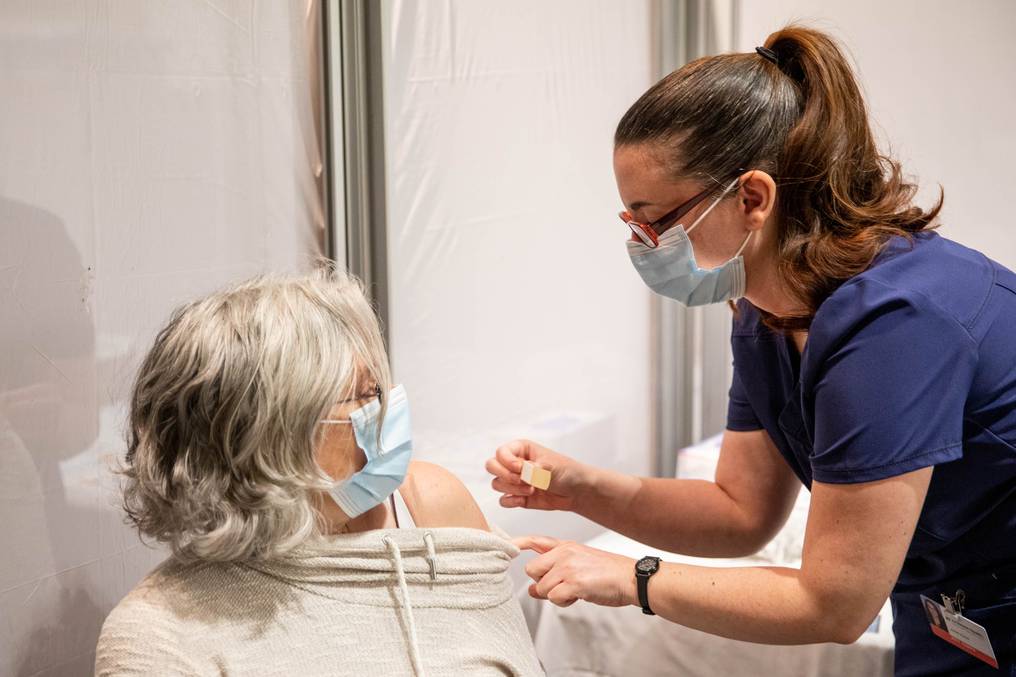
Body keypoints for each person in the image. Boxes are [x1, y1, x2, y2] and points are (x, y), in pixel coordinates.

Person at [486, 25, 1015, 676]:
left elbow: (834, 602)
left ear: (753, 198)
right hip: (949, 619)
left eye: (655, 219)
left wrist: (635, 576)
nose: (643, 244)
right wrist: (580, 488)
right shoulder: (763, 316)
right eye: (631, 224)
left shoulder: (893, 324)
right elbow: (741, 512)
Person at [96, 269, 543, 676]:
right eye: (362, 397)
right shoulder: (161, 637)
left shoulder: (429, 506)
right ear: (267, 436)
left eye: (379, 388)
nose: (386, 410)